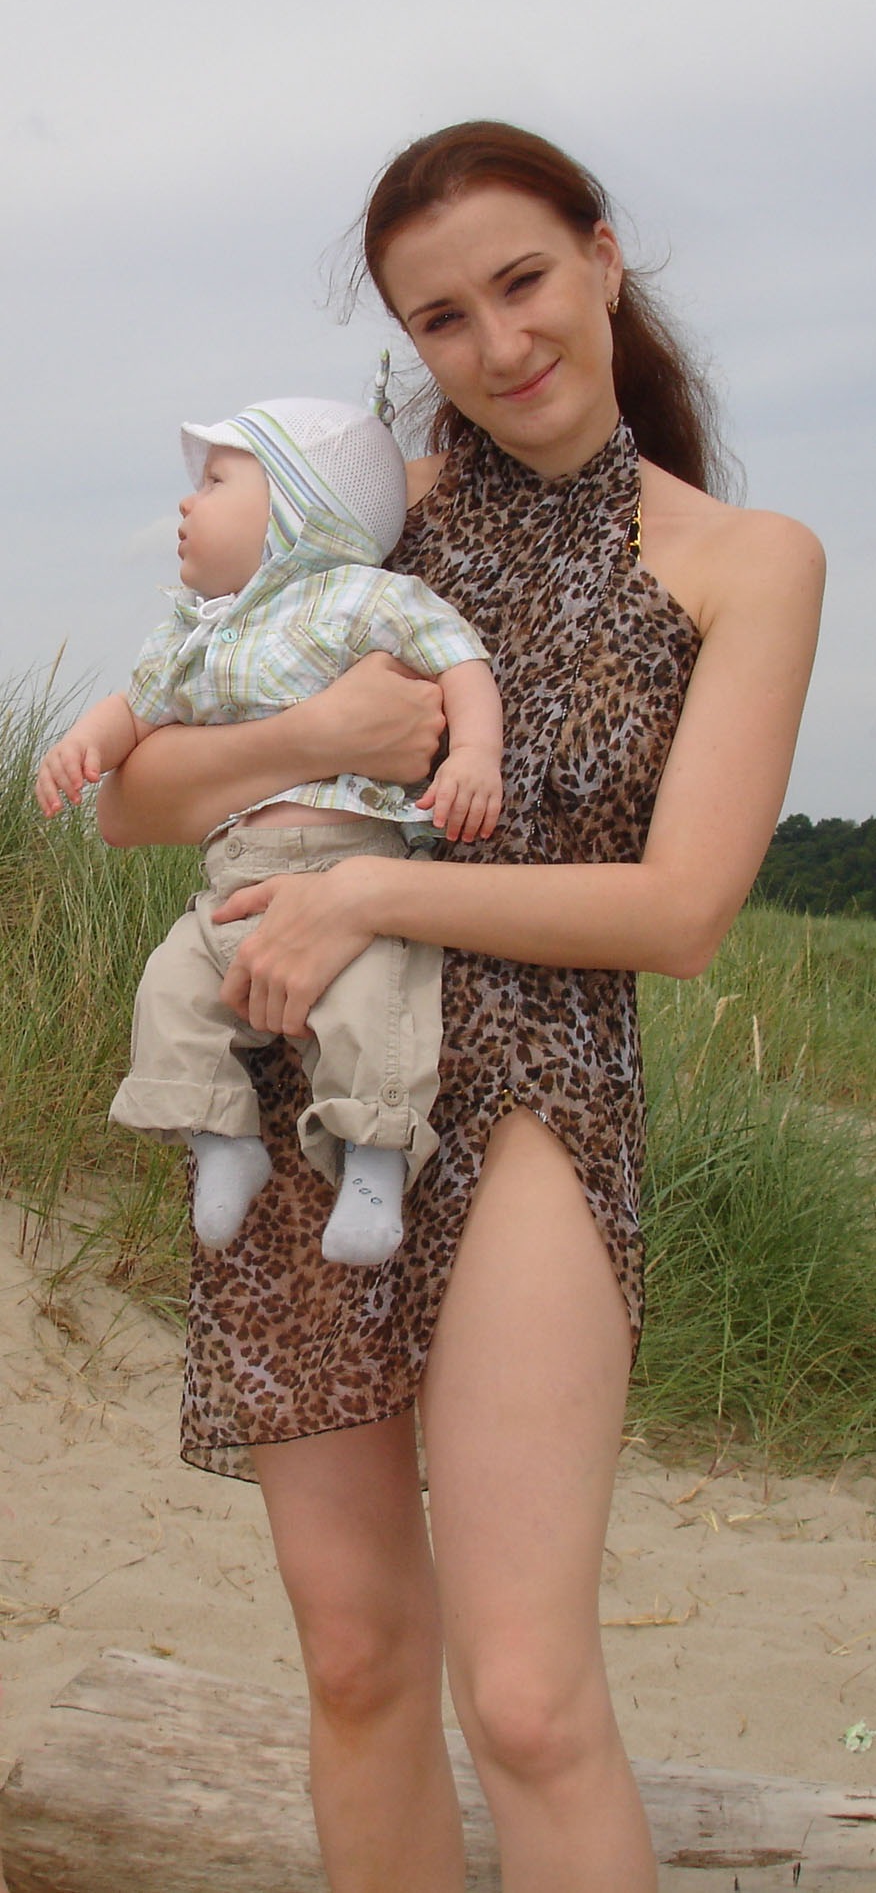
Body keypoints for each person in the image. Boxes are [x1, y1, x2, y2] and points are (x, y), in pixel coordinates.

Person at [95, 121, 824, 1893]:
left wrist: (370, 889)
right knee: (357, 1658)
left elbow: (680, 911)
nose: (498, 343)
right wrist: (311, 740)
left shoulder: (748, 559)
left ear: (601, 258)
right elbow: (135, 797)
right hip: (299, 1085)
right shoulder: (360, 518)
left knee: (527, 1696)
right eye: (441, 317)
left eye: (521, 282)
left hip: (536, 1103)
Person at [36, 396, 503, 1264]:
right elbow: (134, 711)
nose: (187, 501)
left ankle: (374, 1166)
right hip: (230, 886)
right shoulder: (195, 632)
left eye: (217, 481)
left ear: (300, 510)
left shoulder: (365, 597)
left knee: (376, 1012)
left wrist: (476, 754)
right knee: (171, 989)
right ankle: (223, 1140)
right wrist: (82, 748)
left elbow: (460, 659)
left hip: (348, 873)